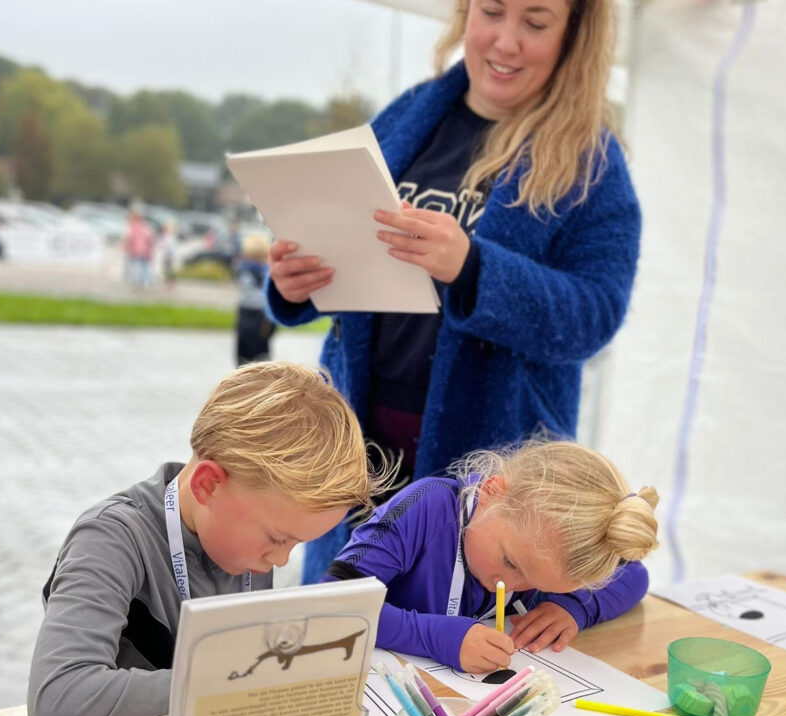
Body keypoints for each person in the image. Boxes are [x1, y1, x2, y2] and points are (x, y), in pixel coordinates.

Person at [266, 0, 641, 583]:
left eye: (536, 23)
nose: (506, 41)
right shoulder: (411, 114)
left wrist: (473, 268)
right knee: (343, 621)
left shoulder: (593, 164)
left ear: (575, 37)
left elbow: (594, 315)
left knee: (457, 641)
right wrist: (297, 284)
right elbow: (353, 243)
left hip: (492, 462)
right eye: (491, 12)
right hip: (357, 444)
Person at [27, 362, 378, 716]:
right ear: (208, 485)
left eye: (296, 544)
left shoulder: (242, 539)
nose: (280, 561)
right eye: (278, 539)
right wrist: (246, 685)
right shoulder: (111, 537)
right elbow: (59, 704)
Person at [323, 439, 658, 673]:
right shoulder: (427, 508)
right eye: (511, 562)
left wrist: (572, 607)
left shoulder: (545, 547)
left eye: (539, 585)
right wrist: (434, 637)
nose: (509, 584)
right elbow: (333, 604)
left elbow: (635, 577)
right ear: (491, 492)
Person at [234, 234, 276, 365]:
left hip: (245, 311)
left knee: (243, 354)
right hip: (263, 314)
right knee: (262, 353)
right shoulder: (268, 272)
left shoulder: (241, 269)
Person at [122, 205, 154, 288]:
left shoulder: (131, 227)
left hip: (134, 249)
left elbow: (128, 237)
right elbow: (150, 237)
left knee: (133, 265)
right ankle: (145, 280)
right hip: (144, 250)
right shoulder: (145, 226)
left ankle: (134, 280)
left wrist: (126, 246)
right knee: (143, 266)